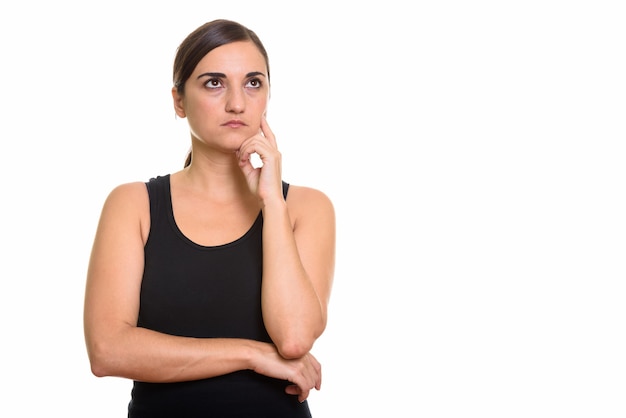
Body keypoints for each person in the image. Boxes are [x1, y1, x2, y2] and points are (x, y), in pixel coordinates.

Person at [83, 19, 336, 417]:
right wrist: (250, 354)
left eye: (253, 83)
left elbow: (293, 340)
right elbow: (107, 350)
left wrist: (272, 200)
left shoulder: (307, 207)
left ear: (268, 95)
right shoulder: (134, 204)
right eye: (214, 83)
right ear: (179, 101)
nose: (237, 103)